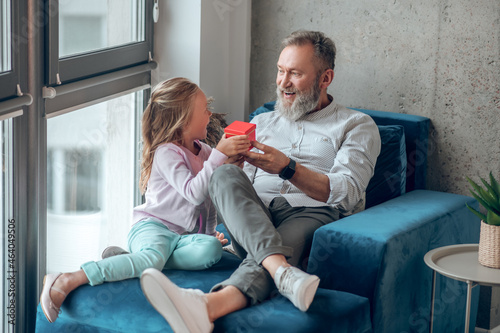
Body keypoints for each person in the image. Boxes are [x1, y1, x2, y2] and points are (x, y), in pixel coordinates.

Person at [142, 29, 382, 333]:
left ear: (325, 78)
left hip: (310, 212)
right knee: (224, 173)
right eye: (281, 71)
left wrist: (288, 168)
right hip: (254, 218)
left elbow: (347, 193)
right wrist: (233, 166)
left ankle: (206, 306)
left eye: (295, 73)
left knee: (277, 240)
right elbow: (236, 190)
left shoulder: (356, 125)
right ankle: (282, 271)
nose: (283, 82)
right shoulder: (261, 122)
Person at [39, 77, 252, 323]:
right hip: (153, 227)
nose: (210, 114)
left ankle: (129, 259)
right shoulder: (167, 153)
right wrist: (218, 157)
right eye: (204, 110)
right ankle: (68, 278)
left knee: (211, 249)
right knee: (153, 257)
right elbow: (193, 192)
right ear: (183, 121)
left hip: (179, 239)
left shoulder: (203, 152)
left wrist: (208, 231)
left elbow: (208, 198)